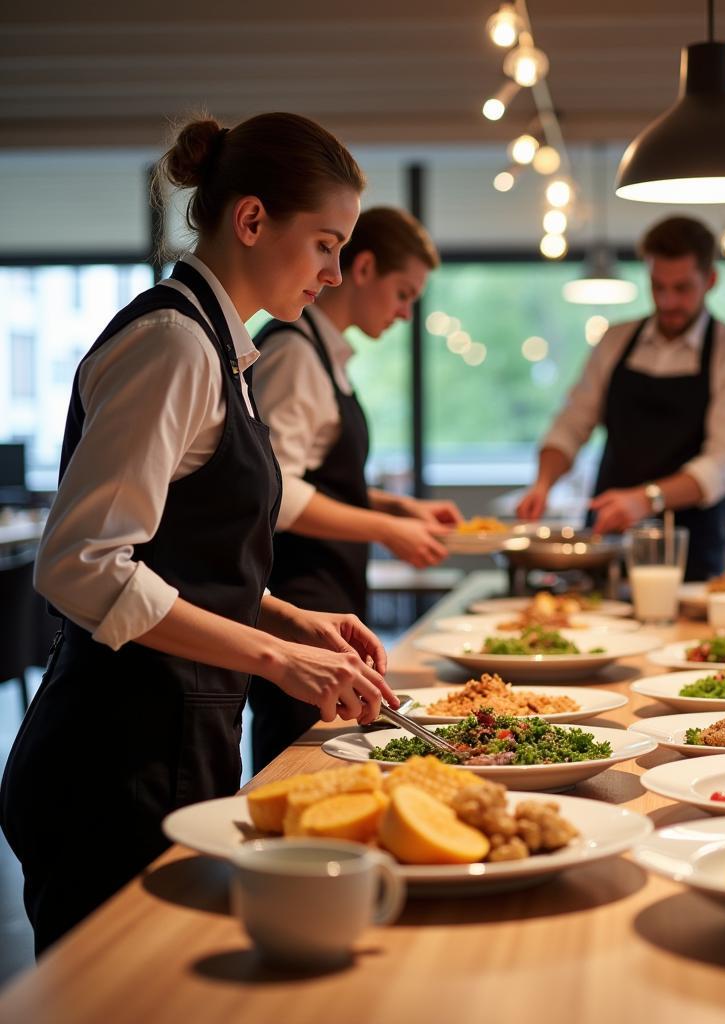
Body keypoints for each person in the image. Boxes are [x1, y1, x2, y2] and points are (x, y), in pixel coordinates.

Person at [0, 113, 398, 955]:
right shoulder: (174, 344)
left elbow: (182, 556)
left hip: (174, 736)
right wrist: (277, 658)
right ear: (251, 221)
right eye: (325, 244)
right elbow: (81, 565)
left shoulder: (223, 348)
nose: (333, 273)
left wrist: (289, 618)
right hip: (113, 758)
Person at [247, 206, 459, 772]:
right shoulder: (293, 353)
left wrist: (397, 506)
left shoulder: (325, 352)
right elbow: (278, 493)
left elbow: (320, 477)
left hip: (329, 598)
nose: (406, 313)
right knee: (295, 769)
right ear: (363, 269)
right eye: (403, 294)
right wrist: (387, 527)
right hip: (298, 600)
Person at [516, 216, 725, 580]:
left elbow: (724, 463)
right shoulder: (616, 341)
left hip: (689, 549)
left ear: (710, 281)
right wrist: (543, 483)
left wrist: (645, 500)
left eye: (682, 288)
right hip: (606, 536)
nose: (668, 301)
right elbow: (572, 422)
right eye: (658, 286)